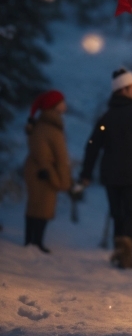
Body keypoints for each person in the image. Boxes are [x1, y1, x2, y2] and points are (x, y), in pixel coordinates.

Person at [80, 69, 132, 269]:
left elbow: (92, 146)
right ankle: (127, 249)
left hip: (111, 174)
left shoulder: (106, 117)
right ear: (125, 88)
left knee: (117, 212)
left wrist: (86, 174)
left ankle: (121, 248)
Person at [24, 90, 72, 252]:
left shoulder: (45, 125)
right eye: (61, 102)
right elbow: (57, 157)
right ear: (54, 106)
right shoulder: (49, 128)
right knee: (41, 208)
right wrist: (61, 180)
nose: (65, 105)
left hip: (41, 172)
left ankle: (33, 241)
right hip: (43, 174)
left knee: (39, 207)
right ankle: (34, 243)